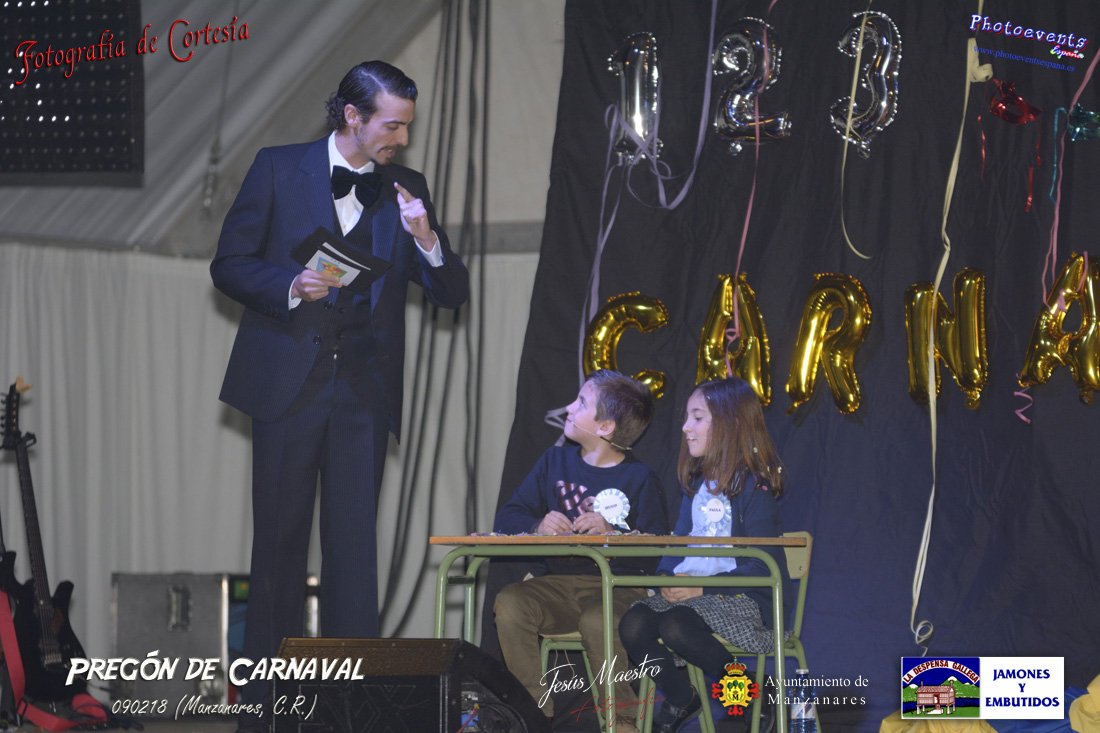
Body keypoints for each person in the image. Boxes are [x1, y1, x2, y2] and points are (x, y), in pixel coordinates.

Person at [210, 60, 469, 732]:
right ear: (352, 116)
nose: (402, 140)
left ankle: (356, 713)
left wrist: (426, 238)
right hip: (287, 388)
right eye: (393, 125)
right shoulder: (277, 167)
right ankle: (268, 716)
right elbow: (229, 264)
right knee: (278, 555)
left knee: (355, 558)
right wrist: (291, 285)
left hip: (363, 394)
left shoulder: (408, 188)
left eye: (407, 127)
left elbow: (452, 293)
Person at [493, 370, 669, 733]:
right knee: (510, 602)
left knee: (597, 619)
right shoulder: (553, 461)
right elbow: (508, 516)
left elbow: (655, 551)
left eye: (582, 402)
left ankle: (622, 720)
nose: (569, 408)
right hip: (557, 586)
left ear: (605, 427)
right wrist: (538, 525)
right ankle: (533, 714)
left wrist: (613, 536)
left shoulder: (641, 478)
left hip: (617, 588)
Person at [619, 378, 793, 733]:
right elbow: (679, 545)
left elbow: (762, 566)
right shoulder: (697, 487)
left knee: (676, 625)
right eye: (687, 417)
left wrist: (702, 588)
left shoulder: (754, 488)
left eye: (697, 418)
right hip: (694, 598)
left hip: (739, 598)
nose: (686, 427)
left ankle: (749, 696)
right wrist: (667, 579)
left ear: (730, 424)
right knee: (633, 623)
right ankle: (681, 696)